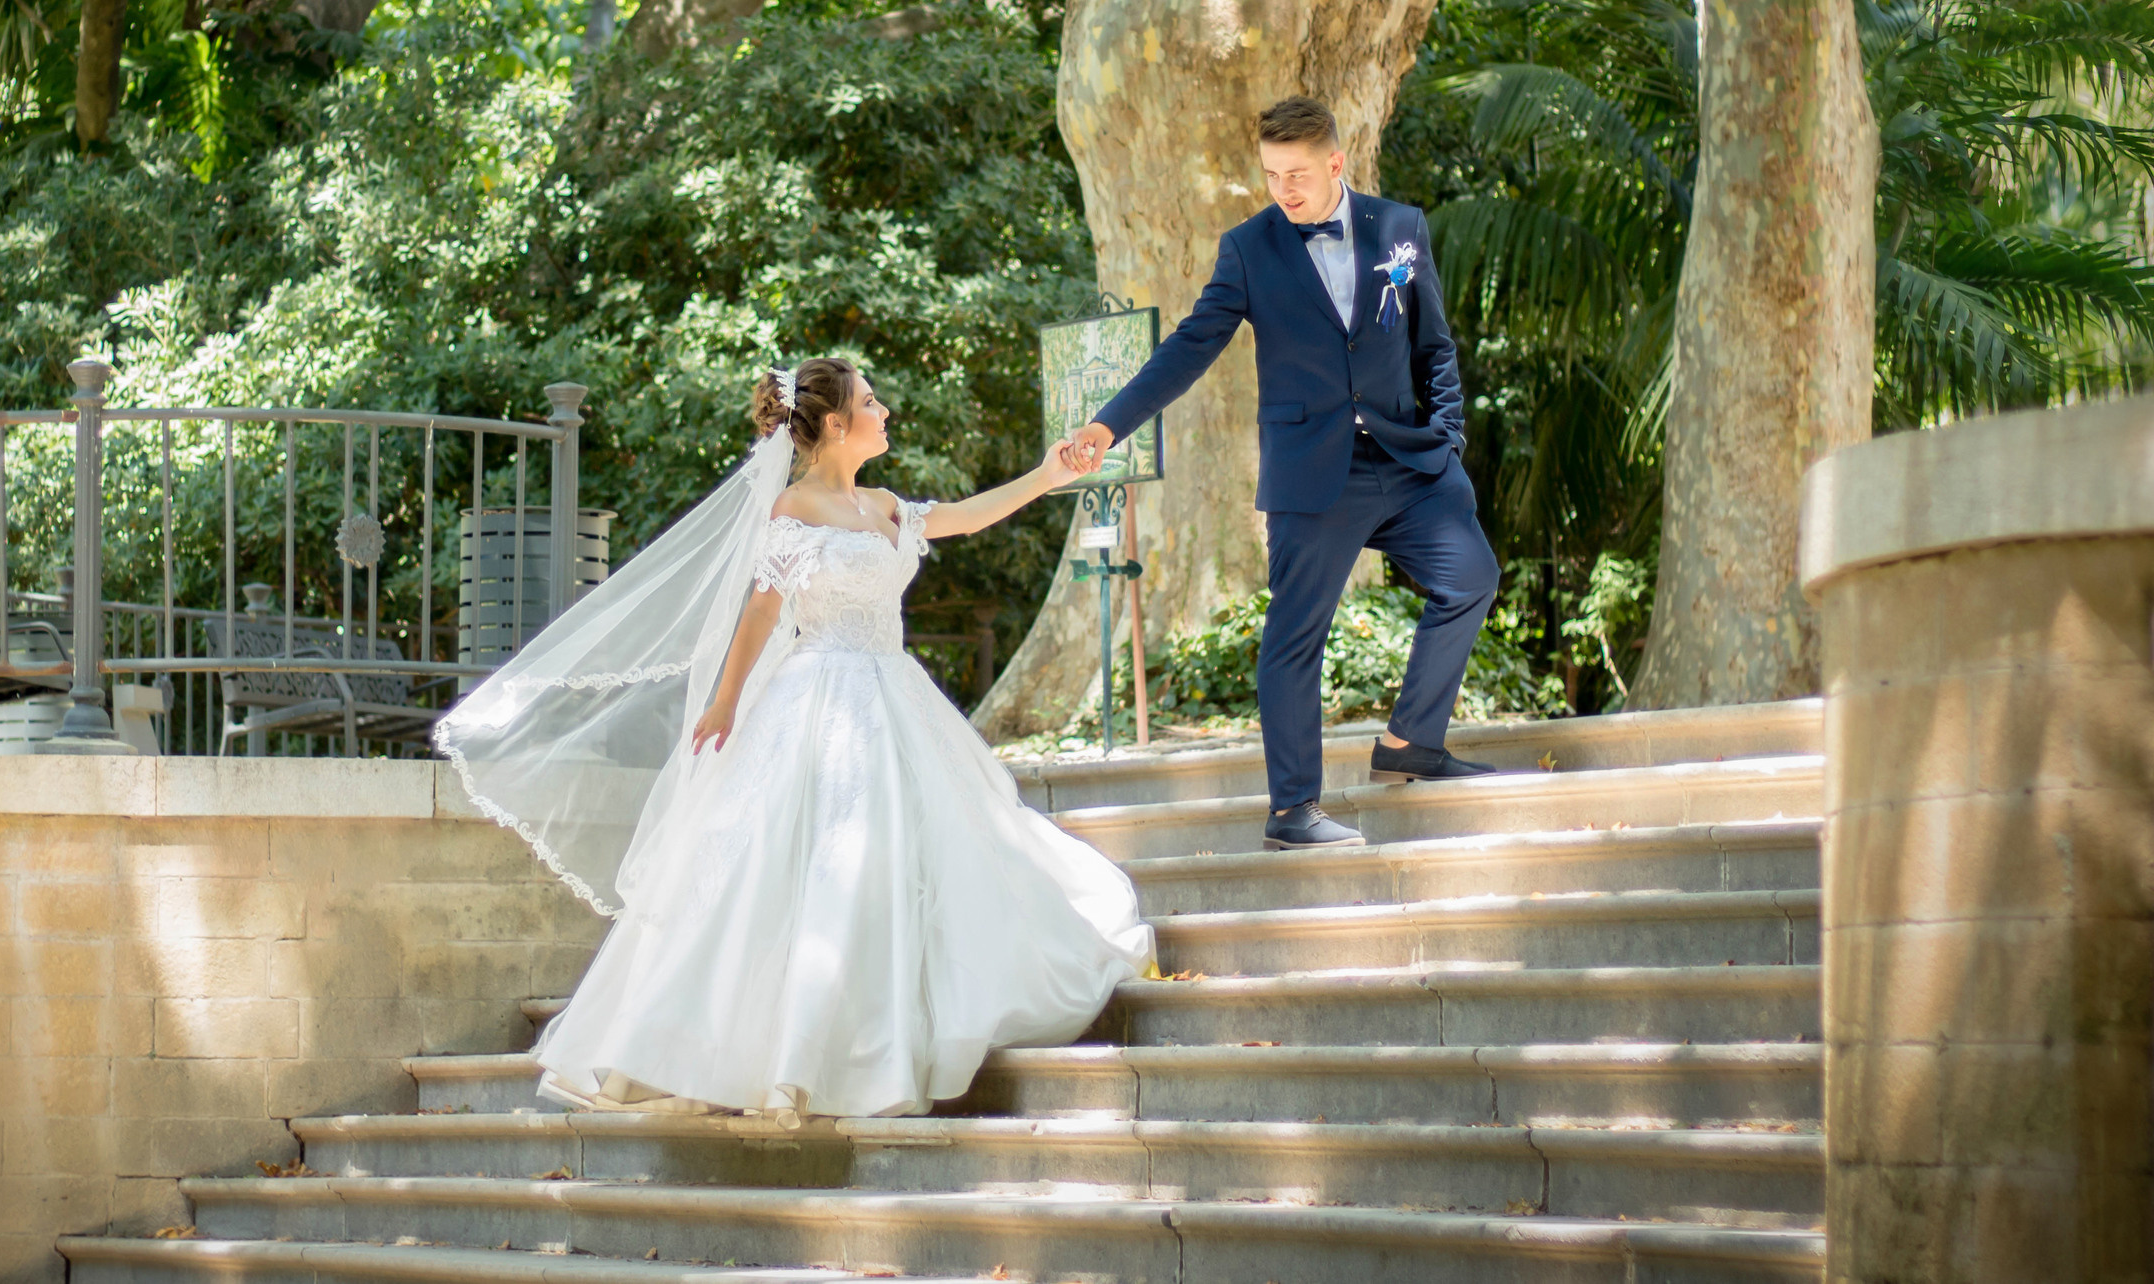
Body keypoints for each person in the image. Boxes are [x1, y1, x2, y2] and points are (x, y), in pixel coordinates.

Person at [438, 358, 1151, 1123]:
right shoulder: (793, 508)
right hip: (816, 699)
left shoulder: (882, 506)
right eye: (872, 402)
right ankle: (761, 1056)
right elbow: (760, 611)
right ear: (837, 425)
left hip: (894, 694)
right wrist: (724, 702)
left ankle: (869, 1038)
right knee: (800, 868)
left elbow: (968, 515)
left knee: (905, 861)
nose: (887, 412)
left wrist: (1047, 474)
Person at [1062, 95, 1502, 850]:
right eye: (1270, 175)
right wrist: (1108, 424)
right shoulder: (1248, 248)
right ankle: (1292, 809)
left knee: (1472, 578)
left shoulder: (1401, 229)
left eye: (1297, 173)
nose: (1284, 190)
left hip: (1411, 461)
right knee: (1295, 636)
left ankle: (1409, 747)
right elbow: (1188, 347)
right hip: (1313, 473)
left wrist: (1448, 432)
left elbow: (1435, 344)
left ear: (1337, 162)